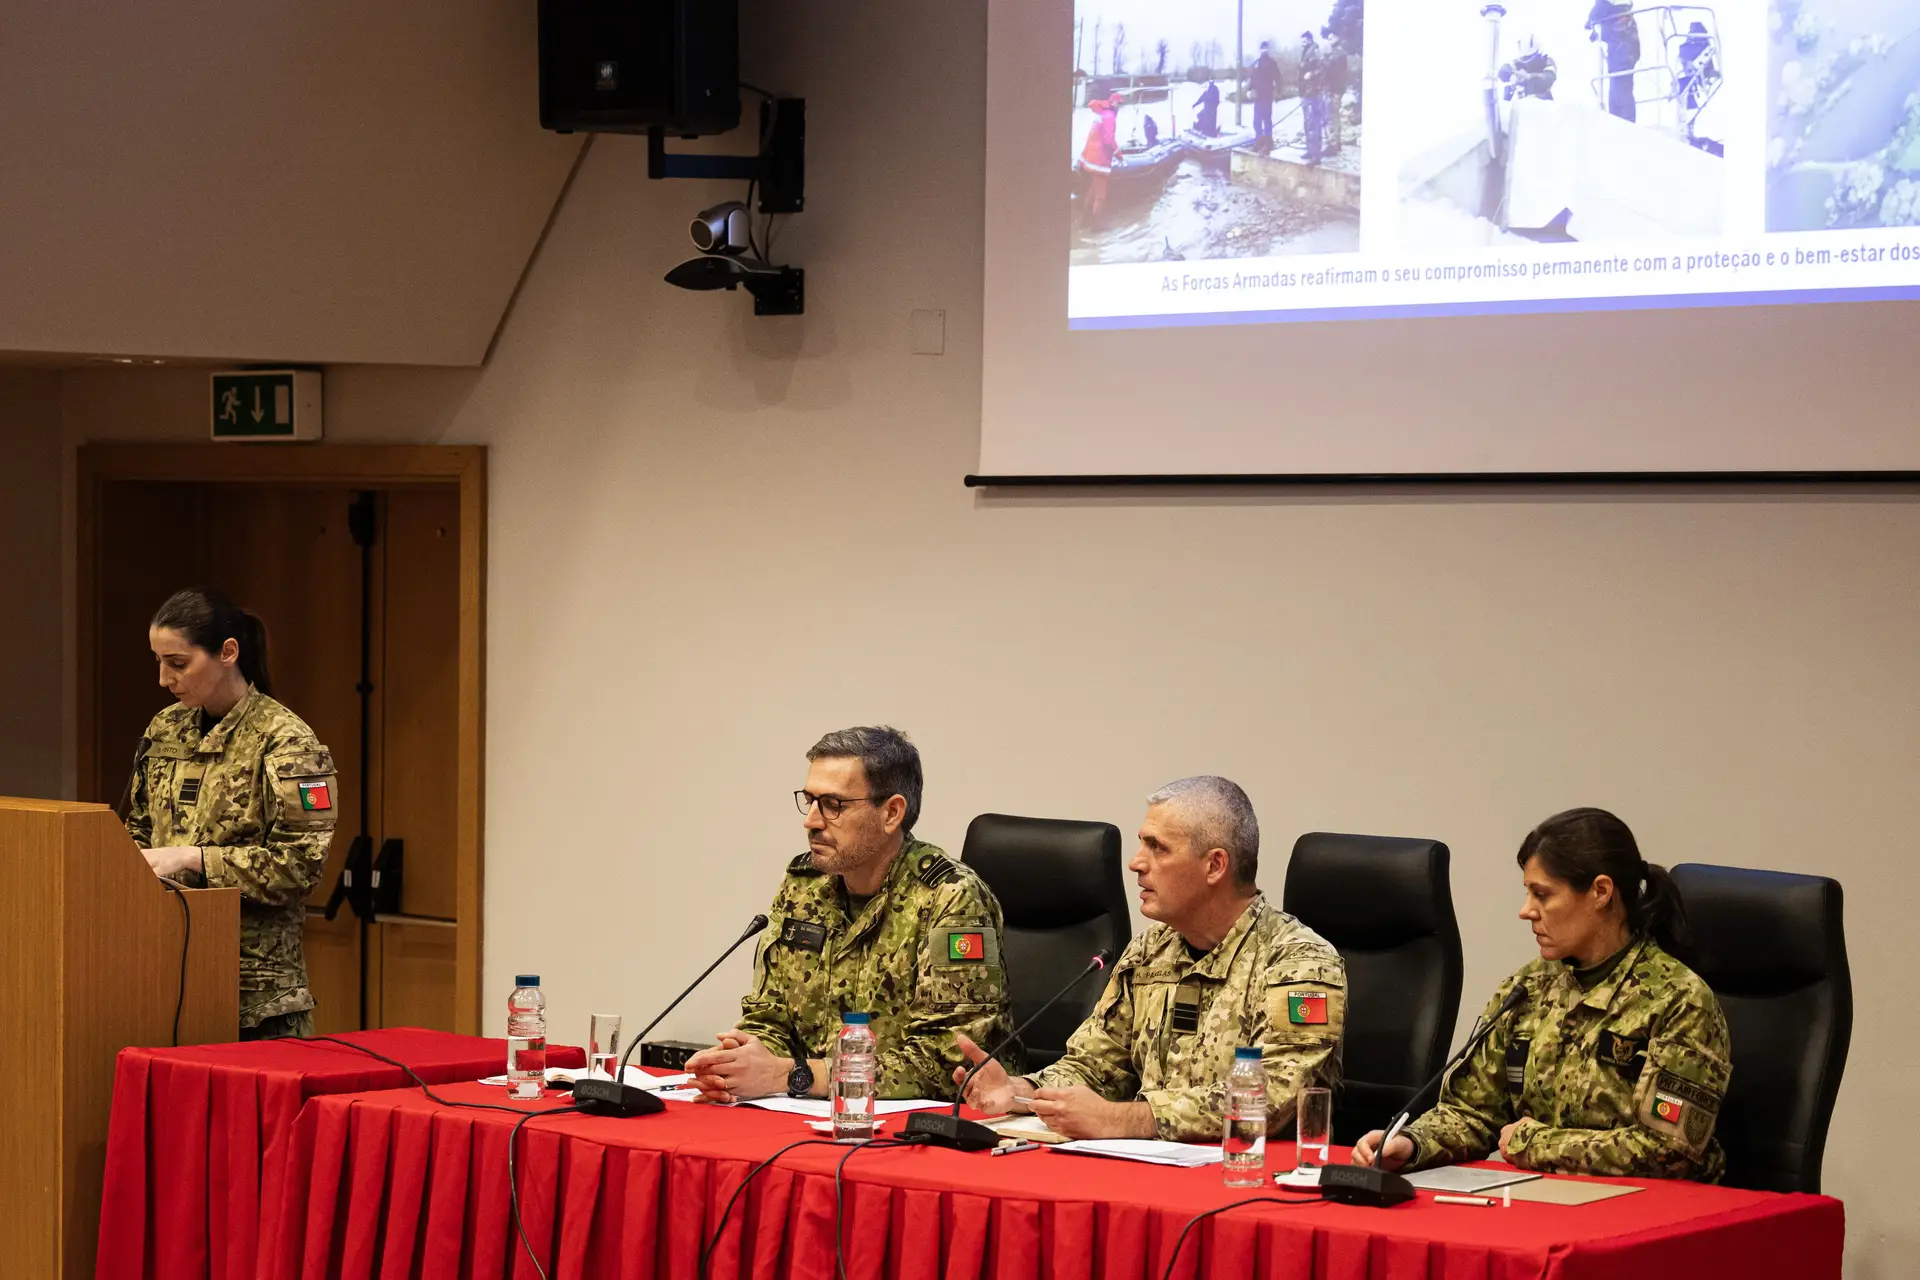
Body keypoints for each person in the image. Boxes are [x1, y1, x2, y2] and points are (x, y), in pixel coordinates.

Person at [955, 777, 1344, 1142]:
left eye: (1158, 848)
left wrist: (1122, 1120)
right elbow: (1096, 1065)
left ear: (1215, 865)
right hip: (1147, 1168)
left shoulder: (1300, 962)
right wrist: (1021, 1091)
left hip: (1247, 1178)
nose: (1136, 863)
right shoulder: (1149, 950)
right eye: (1142, 844)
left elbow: (1275, 1097)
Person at [1353, 808, 1731, 1181]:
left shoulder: (1678, 999)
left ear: (1600, 892)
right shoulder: (1528, 988)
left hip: (1654, 1213)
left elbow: (1668, 1150)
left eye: (1542, 895)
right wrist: (1411, 1144)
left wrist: (1533, 1142)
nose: (1525, 911)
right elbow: (1473, 1111)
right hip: (1545, 1200)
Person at [687, 727, 1014, 1102]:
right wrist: (739, 1062)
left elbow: (949, 1063)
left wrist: (792, 1075)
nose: (811, 820)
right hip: (811, 1114)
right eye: (809, 800)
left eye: (833, 805)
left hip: (927, 1130)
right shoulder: (803, 884)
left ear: (891, 813)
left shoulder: (950, 898)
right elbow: (770, 1018)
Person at [124, 588, 337, 1039]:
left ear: (228, 652)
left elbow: (300, 867)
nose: (164, 679)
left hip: (257, 998)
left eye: (178, 664)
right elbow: (137, 835)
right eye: (158, 662)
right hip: (164, 981)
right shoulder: (164, 730)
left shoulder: (287, 742)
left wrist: (194, 859)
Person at [1587, 0, 1641, 123]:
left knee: (1620, 89)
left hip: (1623, 46)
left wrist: (1591, 21)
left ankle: (1625, 124)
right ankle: (1618, 122)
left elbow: (1598, 10)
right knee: (1617, 87)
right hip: (1623, 44)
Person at [1078, 95, 1121, 221]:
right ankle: (1096, 226)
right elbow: (1109, 140)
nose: (1119, 106)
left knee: (1092, 192)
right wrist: (1118, 152)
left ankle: (1084, 222)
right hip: (1099, 159)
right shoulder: (1110, 117)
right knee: (1100, 197)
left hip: (1088, 157)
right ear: (1114, 103)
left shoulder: (1102, 113)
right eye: (1119, 103)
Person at [1500, 34, 1558, 101]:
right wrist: (1510, 73)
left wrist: (1528, 77)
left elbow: (1548, 78)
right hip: (1520, 106)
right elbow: (1503, 72)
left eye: (1529, 57)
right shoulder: (1519, 63)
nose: (1527, 61)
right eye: (1524, 57)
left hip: (1542, 104)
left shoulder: (1547, 61)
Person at [1299, 32, 1327, 164]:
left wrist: (1312, 74)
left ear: (1309, 40)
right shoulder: (1305, 53)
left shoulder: (1315, 51)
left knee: (1314, 123)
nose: (1302, 43)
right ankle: (1310, 150)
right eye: (1302, 41)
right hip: (1305, 92)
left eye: (1304, 40)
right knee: (1307, 123)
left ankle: (1316, 155)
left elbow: (1322, 69)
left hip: (1314, 93)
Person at [1677, 21, 1716, 110]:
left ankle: (1689, 106)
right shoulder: (1688, 47)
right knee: (1686, 84)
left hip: (1700, 71)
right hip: (1696, 72)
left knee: (1686, 84)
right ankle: (1689, 106)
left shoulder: (1694, 46)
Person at [1250, 42, 1280, 149]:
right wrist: (1250, 89)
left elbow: (1277, 77)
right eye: (1262, 49)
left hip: (1267, 95)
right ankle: (1259, 141)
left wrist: (1278, 91)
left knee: (1266, 119)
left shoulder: (1271, 63)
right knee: (1257, 121)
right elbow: (1253, 78)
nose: (1264, 51)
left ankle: (1267, 142)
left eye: (1265, 49)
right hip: (1258, 96)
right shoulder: (1257, 63)